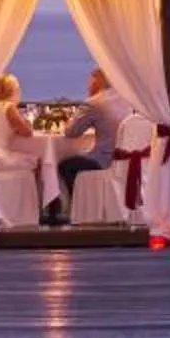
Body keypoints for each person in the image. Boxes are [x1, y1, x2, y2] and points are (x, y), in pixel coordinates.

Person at [46, 67, 130, 224]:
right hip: (128, 160)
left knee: (65, 165)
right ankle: (94, 207)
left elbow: (71, 132)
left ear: (97, 82)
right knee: (79, 159)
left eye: (90, 80)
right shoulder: (128, 100)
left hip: (104, 161)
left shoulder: (95, 103)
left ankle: (77, 209)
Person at [0, 73, 60, 220]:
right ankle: (38, 211)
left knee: (28, 159)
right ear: (11, 90)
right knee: (37, 162)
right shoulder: (8, 107)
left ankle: (29, 210)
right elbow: (27, 132)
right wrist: (25, 123)